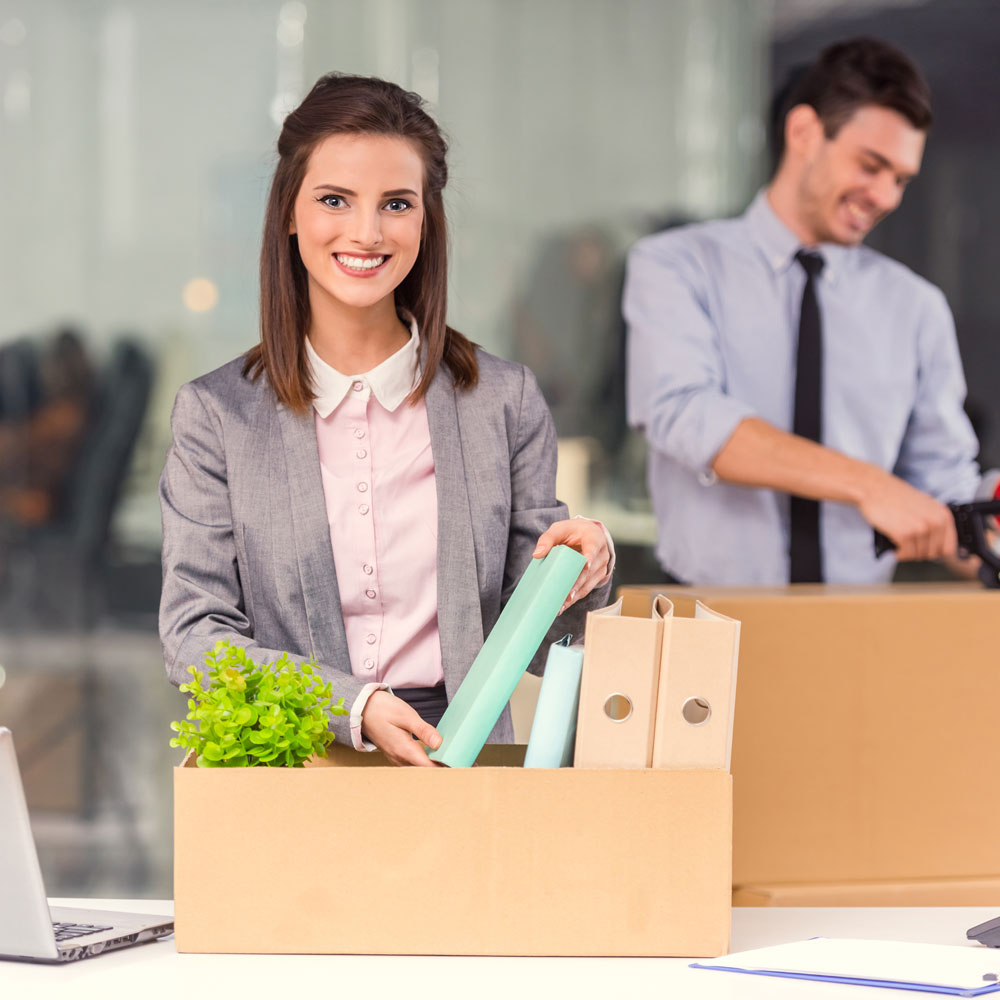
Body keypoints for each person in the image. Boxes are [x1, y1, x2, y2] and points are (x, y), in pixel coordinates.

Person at [159, 74, 613, 766]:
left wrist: (583, 571)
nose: (366, 233)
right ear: (290, 212)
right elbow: (193, 636)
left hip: (459, 765)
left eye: (396, 204)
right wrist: (351, 705)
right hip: (294, 763)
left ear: (425, 220)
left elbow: (548, 644)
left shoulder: (503, 402)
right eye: (335, 200)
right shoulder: (216, 417)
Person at [625, 37, 983, 586]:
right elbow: (686, 414)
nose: (887, 195)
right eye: (871, 165)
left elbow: (943, 484)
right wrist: (869, 484)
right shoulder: (676, 265)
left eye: (902, 179)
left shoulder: (915, 308)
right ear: (803, 134)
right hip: (707, 619)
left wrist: (978, 521)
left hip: (857, 631)